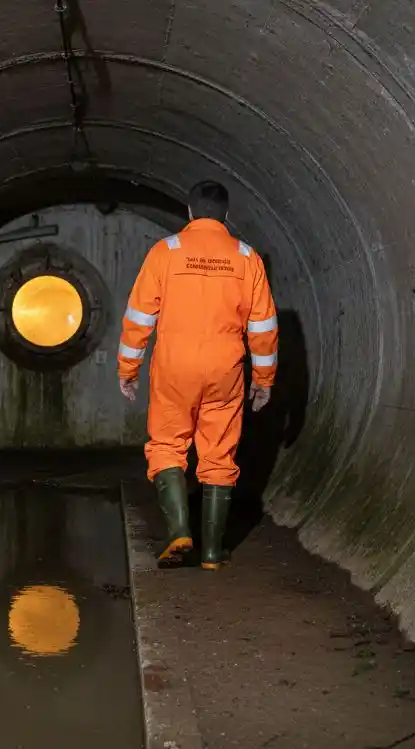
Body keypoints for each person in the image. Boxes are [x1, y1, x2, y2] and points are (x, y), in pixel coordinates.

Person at [117, 180, 278, 570]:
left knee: (168, 444)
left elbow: (139, 317)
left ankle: (179, 531)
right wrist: (263, 379)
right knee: (219, 452)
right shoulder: (246, 258)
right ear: (226, 214)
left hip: (175, 364)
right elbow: (263, 327)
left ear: (189, 212)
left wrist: (129, 369)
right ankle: (211, 553)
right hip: (226, 367)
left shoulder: (165, 252)